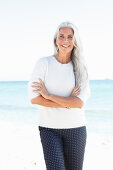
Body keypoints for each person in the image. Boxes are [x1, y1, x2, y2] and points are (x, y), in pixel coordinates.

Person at [28, 21, 90, 170]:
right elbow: (34, 98)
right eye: (61, 36)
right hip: (49, 129)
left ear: (75, 41)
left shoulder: (80, 68)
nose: (65, 40)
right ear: (56, 39)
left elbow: (79, 103)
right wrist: (68, 102)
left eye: (70, 37)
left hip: (76, 128)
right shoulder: (43, 63)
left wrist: (48, 96)